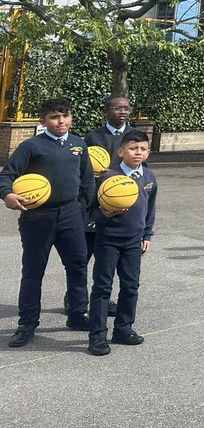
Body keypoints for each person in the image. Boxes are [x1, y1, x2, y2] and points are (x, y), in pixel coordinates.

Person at [0, 98, 95, 348]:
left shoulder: (79, 145)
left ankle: (76, 313)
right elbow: (7, 175)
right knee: (33, 271)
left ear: (71, 118)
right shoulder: (31, 146)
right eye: (54, 117)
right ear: (43, 121)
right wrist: (7, 195)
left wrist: (83, 209)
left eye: (65, 116)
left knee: (77, 265)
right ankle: (27, 323)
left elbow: (87, 181)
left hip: (71, 215)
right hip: (38, 218)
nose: (61, 121)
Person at [86, 130, 157, 356]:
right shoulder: (108, 178)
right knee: (102, 287)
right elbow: (91, 211)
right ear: (121, 151)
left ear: (148, 152)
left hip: (133, 241)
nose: (138, 153)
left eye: (143, 149)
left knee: (131, 286)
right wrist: (103, 215)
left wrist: (147, 235)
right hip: (108, 240)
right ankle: (97, 336)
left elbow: (150, 209)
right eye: (133, 148)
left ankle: (123, 329)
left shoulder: (149, 178)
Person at [81, 95, 133, 264]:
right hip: (98, 199)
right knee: (83, 256)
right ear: (105, 111)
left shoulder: (135, 136)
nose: (123, 112)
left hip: (124, 199)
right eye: (117, 108)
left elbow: (142, 167)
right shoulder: (93, 137)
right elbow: (84, 171)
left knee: (112, 261)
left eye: (126, 108)